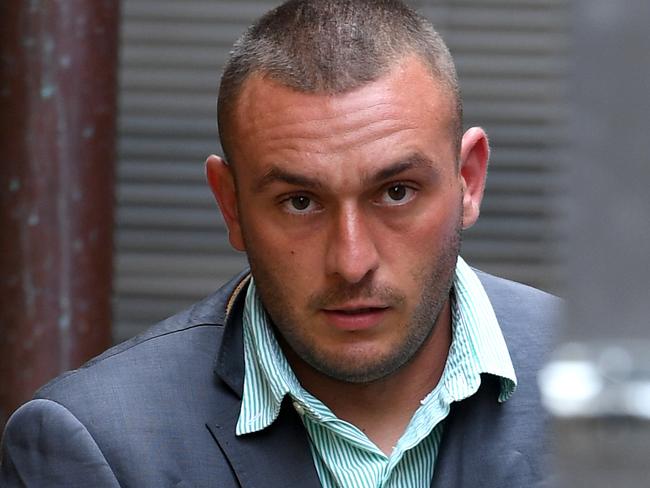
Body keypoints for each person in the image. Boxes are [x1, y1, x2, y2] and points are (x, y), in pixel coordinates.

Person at [0, 0, 560, 486]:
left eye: (395, 192)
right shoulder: (97, 447)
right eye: (300, 202)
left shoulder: (615, 393)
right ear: (231, 203)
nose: (351, 262)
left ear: (469, 180)